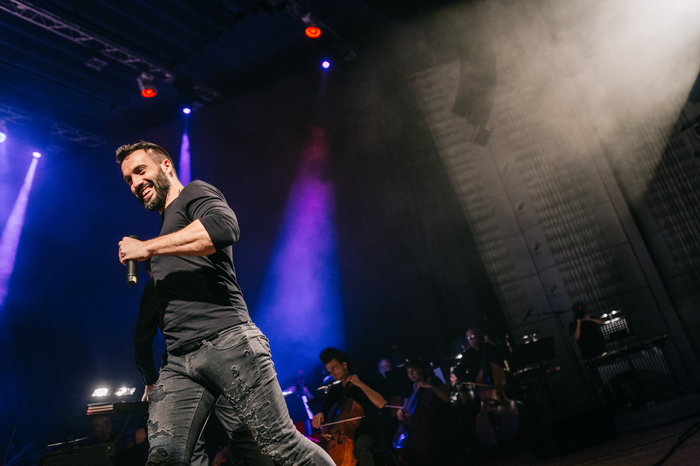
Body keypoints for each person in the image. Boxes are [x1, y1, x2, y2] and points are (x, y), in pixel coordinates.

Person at [117, 141, 334, 466]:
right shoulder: (163, 233)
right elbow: (144, 333)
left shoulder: (193, 194)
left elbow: (222, 228)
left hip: (227, 342)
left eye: (140, 171)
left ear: (166, 166)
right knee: (163, 460)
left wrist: (147, 247)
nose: (135, 183)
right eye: (128, 180)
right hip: (179, 362)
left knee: (282, 446)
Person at [133, 269, 275, 466]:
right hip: (222, 358)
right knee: (244, 432)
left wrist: (149, 381)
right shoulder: (202, 271)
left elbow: (141, 339)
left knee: (189, 444)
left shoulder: (157, 282)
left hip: (184, 367)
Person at [312, 347, 386, 466]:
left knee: (359, 448)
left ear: (344, 364)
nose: (331, 373)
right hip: (343, 436)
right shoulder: (334, 392)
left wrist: (360, 384)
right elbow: (325, 417)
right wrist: (320, 416)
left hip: (369, 431)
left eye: (334, 368)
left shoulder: (366, 383)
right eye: (329, 371)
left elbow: (381, 403)